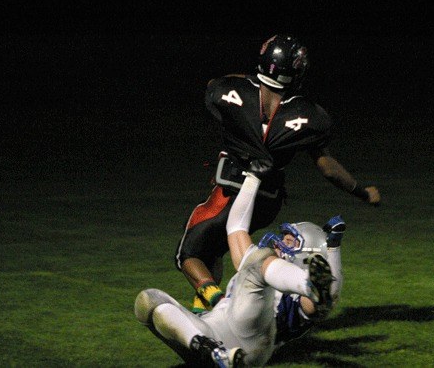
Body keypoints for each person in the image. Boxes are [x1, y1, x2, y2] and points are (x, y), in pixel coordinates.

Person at [174, 34, 380, 313]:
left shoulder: (229, 90)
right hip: (268, 199)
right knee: (218, 249)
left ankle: (220, 304)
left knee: (189, 255)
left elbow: (214, 86)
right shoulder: (310, 115)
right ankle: (206, 315)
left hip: (232, 191)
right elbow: (327, 167)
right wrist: (361, 191)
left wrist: (249, 80)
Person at [136, 172, 348, 367]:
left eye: (290, 242)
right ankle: (209, 351)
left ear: (307, 256)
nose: (278, 244)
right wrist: (251, 178)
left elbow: (328, 297)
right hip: (213, 333)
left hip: (251, 344)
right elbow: (236, 226)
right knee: (148, 301)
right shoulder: (261, 266)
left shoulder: (295, 299)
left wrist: (333, 248)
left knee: (258, 260)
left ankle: (307, 284)